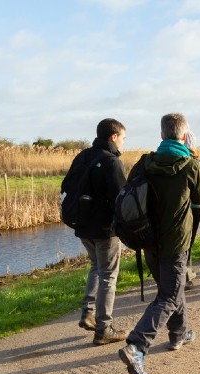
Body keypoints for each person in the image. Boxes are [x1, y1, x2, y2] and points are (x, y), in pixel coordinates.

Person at [118, 112, 200, 374]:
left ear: (161, 135)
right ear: (183, 136)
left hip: (147, 238)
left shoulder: (144, 162)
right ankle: (136, 346)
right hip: (175, 241)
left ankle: (179, 334)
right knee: (169, 295)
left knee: (171, 288)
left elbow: (130, 190)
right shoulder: (190, 164)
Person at [71, 118, 128, 345]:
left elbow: (68, 187)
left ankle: (88, 311)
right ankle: (104, 328)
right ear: (113, 137)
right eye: (123, 137)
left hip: (82, 226)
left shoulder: (83, 156)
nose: (123, 142)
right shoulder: (112, 162)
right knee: (108, 276)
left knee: (96, 267)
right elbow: (121, 198)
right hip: (105, 229)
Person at [184, 130, 200, 290]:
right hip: (193, 208)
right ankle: (187, 275)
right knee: (189, 243)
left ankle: (182, 274)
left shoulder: (165, 159)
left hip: (172, 209)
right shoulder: (196, 163)